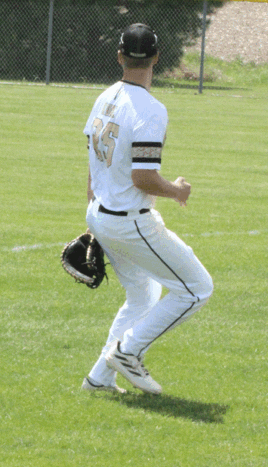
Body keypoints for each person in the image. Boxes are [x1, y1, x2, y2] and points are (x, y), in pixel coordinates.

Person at [81, 23, 213, 395]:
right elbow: (143, 177)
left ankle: (99, 379)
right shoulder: (150, 109)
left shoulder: (104, 96)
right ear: (156, 58)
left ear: (120, 56)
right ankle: (128, 353)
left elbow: (93, 159)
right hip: (129, 221)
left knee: (143, 294)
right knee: (197, 288)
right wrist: (177, 191)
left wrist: (93, 217)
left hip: (102, 212)